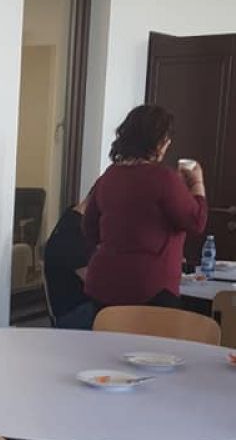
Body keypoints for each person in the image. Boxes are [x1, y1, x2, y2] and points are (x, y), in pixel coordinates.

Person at [84, 104, 207, 310]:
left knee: (108, 332)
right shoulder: (164, 178)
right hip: (149, 287)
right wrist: (196, 183)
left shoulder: (109, 175)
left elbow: (89, 227)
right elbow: (195, 221)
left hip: (104, 284)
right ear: (158, 142)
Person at [43, 197, 95, 328]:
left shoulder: (73, 223)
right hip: (74, 314)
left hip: (83, 308)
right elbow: (97, 283)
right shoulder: (71, 234)